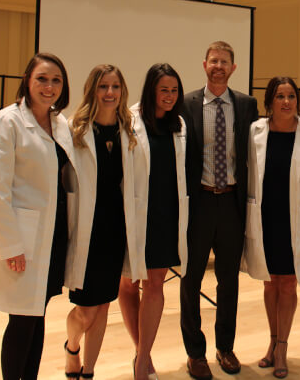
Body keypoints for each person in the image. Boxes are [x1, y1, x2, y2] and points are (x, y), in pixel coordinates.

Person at [0, 53, 77, 380]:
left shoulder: (59, 123)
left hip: (51, 235)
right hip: (22, 238)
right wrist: (11, 245)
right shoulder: (6, 123)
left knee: (38, 313)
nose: (49, 87)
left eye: (56, 80)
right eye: (42, 79)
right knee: (21, 319)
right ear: (27, 81)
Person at [180, 41, 258, 380]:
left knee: (228, 282)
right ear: (204, 64)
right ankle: (195, 353)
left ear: (233, 68)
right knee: (190, 279)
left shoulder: (246, 105)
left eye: (225, 61)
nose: (218, 66)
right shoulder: (186, 104)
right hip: (198, 203)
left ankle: (225, 347)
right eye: (213, 60)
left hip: (231, 202)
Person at [63, 64, 141, 379]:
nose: (110, 93)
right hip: (85, 230)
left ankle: (89, 371)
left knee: (105, 304)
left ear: (122, 92)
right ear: (92, 90)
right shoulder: (74, 129)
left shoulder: (130, 132)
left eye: (115, 87)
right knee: (85, 310)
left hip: (115, 231)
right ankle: (71, 348)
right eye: (103, 87)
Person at [242, 77, 300, 379]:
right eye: (279, 96)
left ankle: (283, 346)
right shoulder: (255, 132)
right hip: (265, 216)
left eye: (291, 96)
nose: (286, 102)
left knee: (288, 283)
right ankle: (272, 341)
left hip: (295, 219)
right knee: (269, 282)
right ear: (269, 102)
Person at [117, 63, 189, 380]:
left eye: (174, 91)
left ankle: (143, 359)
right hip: (133, 215)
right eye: (164, 90)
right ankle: (140, 351)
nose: (169, 96)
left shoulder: (180, 124)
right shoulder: (129, 121)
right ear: (151, 90)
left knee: (155, 284)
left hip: (166, 215)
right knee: (128, 285)